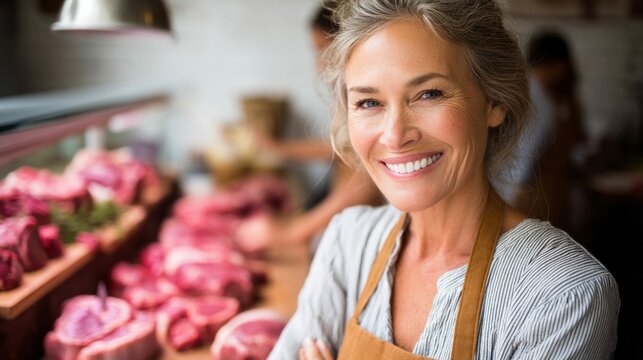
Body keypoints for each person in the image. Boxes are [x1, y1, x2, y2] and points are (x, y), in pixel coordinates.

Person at [268, 1, 619, 359]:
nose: (394, 135)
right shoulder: (347, 243)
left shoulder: (563, 295)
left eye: (429, 94)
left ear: (494, 102)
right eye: (369, 102)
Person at [235, 7, 382, 252]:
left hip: (361, 237)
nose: (319, 63)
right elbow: (339, 146)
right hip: (348, 230)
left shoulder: (369, 97)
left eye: (324, 49)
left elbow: (363, 187)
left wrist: (290, 232)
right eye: (316, 51)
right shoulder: (351, 98)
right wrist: (278, 148)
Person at [510, 31, 586, 232]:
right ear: (559, 65)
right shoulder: (539, 102)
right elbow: (523, 168)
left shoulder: (550, 97)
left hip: (546, 200)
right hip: (533, 202)